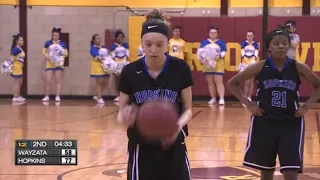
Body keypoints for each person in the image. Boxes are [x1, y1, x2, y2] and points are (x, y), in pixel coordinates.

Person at [227, 28, 320, 180]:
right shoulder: (260, 66)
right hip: (265, 122)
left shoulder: (297, 67)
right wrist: (249, 104)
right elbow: (232, 83)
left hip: (291, 123)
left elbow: (318, 85)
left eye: (284, 43)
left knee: (291, 172)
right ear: (269, 47)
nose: (281, 47)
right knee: (266, 171)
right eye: (276, 44)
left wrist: (306, 106)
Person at [116, 9, 193, 180]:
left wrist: (176, 127)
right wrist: (125, 119)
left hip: (174, 145)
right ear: (141, 43)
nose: (153, 49)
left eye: (159, 44)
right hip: (142, 147)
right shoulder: (130, 71)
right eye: (148, 44)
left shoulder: (180, 69)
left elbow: (188, 110)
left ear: (167, 43)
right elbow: (121, 113)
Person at [199, 27, 227, 105]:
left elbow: (224, 51)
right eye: (211, 33)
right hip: (208, 64)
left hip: (218, 64)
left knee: (219, 81)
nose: (213, 34)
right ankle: (213, 98)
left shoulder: (220, 42)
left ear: (217, 34)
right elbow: (201, 52)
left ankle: (221, 98)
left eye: (214, 33)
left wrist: (219, 56)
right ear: (209, 33)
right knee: (210, 82)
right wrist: (204, 59)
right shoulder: (205, 42)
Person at [42, 27, 68, 102]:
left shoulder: (62, 43)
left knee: (58, 80)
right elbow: (43, 52)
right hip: (50, 64)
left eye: (57, 35)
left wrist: (60, 54)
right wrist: (47, 56)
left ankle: (57, 96)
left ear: (59, 36)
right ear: (52, 35)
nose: (55, 37)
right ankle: (47, 96)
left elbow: (66, 53)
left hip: (58, 64)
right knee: (47, 80)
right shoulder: (48, 43)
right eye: (54, 35)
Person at [240, 30, 259, 106]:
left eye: (251, 36)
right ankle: (245, 97)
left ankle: (249, 97)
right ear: (246, 36)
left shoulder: (255, 44)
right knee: (246, 81)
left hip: (253, 63)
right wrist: (246, 62)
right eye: (248, 36)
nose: (249, 37)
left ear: (253, 36)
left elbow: (256, 54)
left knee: (251, 81)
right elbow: (242, 54)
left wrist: (252, 61)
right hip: (245, 63)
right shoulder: (244, 43)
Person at [110, 31, 130, 102]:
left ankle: (125, 95)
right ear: (116, 38)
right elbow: (113, 55)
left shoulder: (126, 45)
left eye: (121, 37)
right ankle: (118, 95)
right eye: (119, 37)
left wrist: (124, 62)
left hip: (124, 63)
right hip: (117, 64)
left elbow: (127, 54)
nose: (120, 38)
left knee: (125, 80)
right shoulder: (113, 46)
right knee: (117, 80)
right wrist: (116, 64)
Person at [90, 34, 109, 104]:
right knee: (99, 83)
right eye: (97, 39)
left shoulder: (103, 47)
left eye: (99, 38)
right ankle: (99, 98)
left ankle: (97, 95)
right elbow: (98, 57)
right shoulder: (93, 48)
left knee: (106, 83)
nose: (99, 40)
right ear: (94, 41)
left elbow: (108, 55)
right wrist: (103, 58)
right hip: (97, 67)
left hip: (105, 67)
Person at [10, 34, 26, 102]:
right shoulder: (15, 49)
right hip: (16, 67)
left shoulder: (19, 48)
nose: (22, 41)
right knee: (17, 82)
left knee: (20, 82)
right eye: (21, 40)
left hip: (19, 67)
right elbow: (11, 59)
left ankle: (18, 95)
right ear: (17, 41)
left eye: (22, 40)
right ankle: (15, 97)